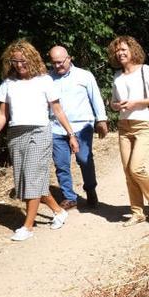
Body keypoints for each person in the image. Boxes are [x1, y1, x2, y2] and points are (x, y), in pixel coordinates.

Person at [0, 39, 79, 242]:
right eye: (15, 61)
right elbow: (2, 114)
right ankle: (59, 212)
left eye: (23, 61)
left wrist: (71, 134)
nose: (19, 65)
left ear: (32, 59)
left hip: (39, 133)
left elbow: (58, 110)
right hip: (15, 135)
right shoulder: (8, 84)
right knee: (26, 181)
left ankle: (27, 227)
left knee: (32, 177)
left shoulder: (45, 80)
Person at [107, 36, 149, 226]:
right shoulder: (117, 76)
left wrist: (135, 102)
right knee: (128, 172)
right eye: (117, 50)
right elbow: (113, 102)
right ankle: (137, 212)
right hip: (124, 126)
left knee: (136, 168)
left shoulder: (146, 71)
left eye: (123, 49)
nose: (120, 53)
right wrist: (115, 105)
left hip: (144, 124)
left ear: (132, 50)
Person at [48, 46, 109, 209]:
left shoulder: (84, 76)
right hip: (56, 128)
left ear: (69, 58)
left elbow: (96, 97)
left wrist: (101, 120)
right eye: (54, 63)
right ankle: (69, 197)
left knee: (84, 160)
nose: (57, 66)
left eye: (60, 62)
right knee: (61, 164)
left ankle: (90, 190)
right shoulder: (47, 78)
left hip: (82, 127)